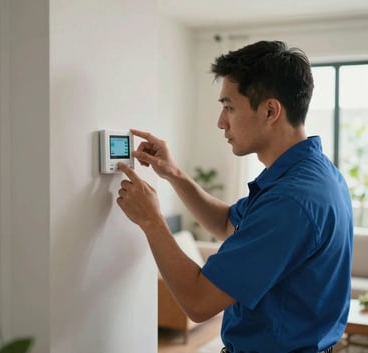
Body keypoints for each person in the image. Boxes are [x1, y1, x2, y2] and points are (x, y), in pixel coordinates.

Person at [116, 40, 353, 353]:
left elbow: (199, 302)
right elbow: (228, 223)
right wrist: (175, 175)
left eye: (229, 107)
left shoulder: (291, 201)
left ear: (270, 110)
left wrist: (151, 220)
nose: (220, 122)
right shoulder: (313, 174)